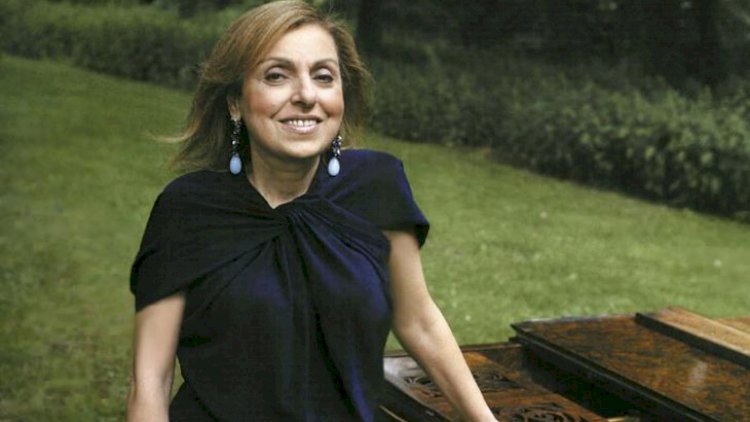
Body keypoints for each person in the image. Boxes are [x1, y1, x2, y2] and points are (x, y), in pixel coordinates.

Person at [127, 1, 496, 420]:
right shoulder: (188, 210)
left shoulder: (377, 186)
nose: (306, 95)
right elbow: (149, 380)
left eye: (323, 76)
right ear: (235, 102)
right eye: (276, 76)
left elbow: (419, 322)